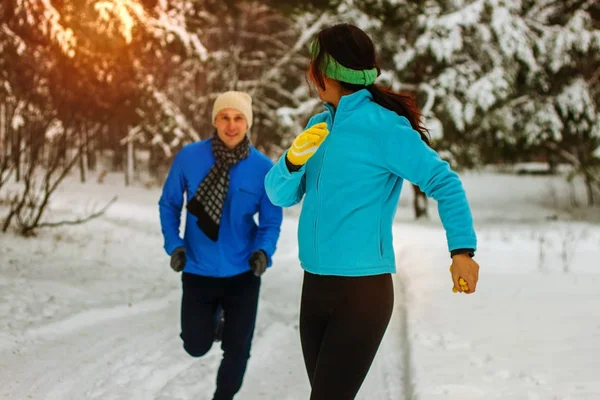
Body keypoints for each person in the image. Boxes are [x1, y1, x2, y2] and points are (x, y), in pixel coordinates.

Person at [264, 23, 480, 400]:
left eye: (313, 64)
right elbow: (278, 195)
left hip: (362, 293)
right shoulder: (319, 125)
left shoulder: (385, 128)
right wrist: (292, 160)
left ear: (325, 72)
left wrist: (462, 252)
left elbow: (445, 183)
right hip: (314, 286)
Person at [159, 91, 283, 400]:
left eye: (238, 118)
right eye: (225, 117)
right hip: (198, 268)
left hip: (242, 273)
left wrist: (263, 252)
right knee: (195, 345)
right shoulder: (189, 158)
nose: (231, 125)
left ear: (248, 123)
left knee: (238, 349)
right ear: (215, 120)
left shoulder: (263, 168)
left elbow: (270, 221)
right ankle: (214, 323)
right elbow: (169, 205)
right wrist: (175, 245)